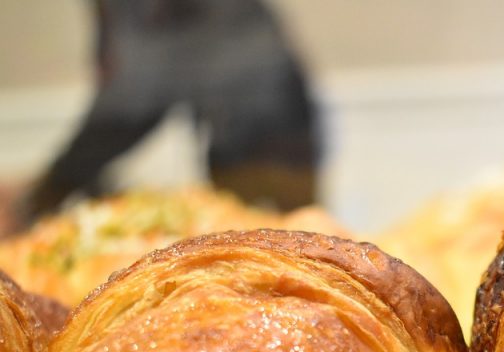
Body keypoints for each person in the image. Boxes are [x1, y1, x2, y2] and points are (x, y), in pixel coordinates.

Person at [13, 0, 320, 229]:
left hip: (260, 142)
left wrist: (48, 189)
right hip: (276, 129)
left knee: (278, 265)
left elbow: (135, 101)